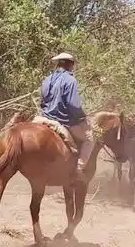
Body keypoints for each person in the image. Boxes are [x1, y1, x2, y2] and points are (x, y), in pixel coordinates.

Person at [38, 52, 94, 182]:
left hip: (44, 117)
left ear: (59, 63)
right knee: (89, 139)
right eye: (72, 64)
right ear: (70, 64)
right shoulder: (70, 80)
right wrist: (81, 117)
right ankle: (79, 169)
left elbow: (43, 100)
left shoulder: (48, 79)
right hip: (62, 120)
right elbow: (72, 104)